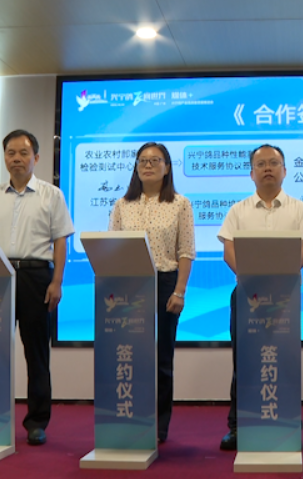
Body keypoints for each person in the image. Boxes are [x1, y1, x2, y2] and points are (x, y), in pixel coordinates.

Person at [0, 129, 74, 445]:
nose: (17, 158)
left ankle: (36, 422)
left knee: (36, 354)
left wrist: (57, 282)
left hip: (36, 277)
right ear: (4, 158)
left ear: (36, 158)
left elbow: (60, 241)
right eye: (11, 153)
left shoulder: (51, 195)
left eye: (23, 153)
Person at [217, 144, 303, 451]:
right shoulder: (238, 210)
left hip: (286, 296)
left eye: (274, 163)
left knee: (284, 359)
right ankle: (238, 426)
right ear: (251, 173)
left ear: (284, 170)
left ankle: (288, 420)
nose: (267, 168)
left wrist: (277, 281)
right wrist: (253, 279)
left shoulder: (299, 209)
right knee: (244, 361)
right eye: (260, 164)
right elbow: (229, 252)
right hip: (247, 295)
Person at [108, 142, 195, 443]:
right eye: (142, 160)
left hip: (165, 282)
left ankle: (158, 425)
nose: (148, 165)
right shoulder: (122, 205)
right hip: (129, 286)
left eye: (155, 160)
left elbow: (186, 251)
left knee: (161, 359)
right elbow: (112, 248)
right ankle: (129, 417)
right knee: (129, 356)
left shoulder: (180, 204)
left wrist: (180, 291)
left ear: (167, 167)